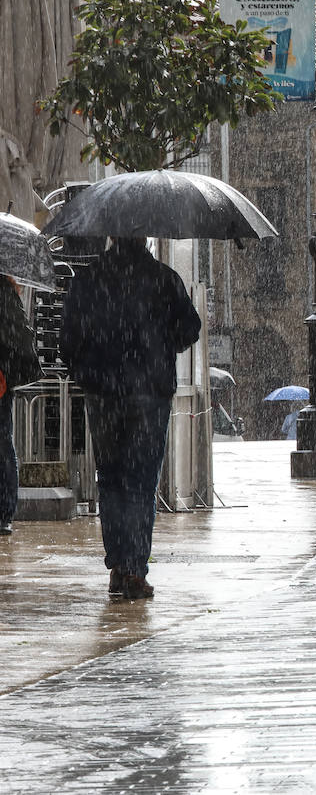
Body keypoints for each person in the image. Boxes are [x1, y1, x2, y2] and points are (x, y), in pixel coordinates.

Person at [60, 238, 201, 599]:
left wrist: (89, 371)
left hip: (103, 393)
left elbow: (67, 342)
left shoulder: (88, 280)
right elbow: (190, 329)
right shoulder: (164, 280)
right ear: (144, 239)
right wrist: (160, 344)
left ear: (111, 237)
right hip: (149, 394)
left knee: (110, 479)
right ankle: (133, 568)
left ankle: (119, 564)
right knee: (140, 481)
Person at [0, 276, 42, 536]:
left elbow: (17, 339)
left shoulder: (3, 289)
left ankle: (4, 512)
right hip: (2, 381)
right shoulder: (5, 289)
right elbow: (19, 338)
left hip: (0, 381)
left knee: (3, 444)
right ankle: (4, 513)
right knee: (3, 444)